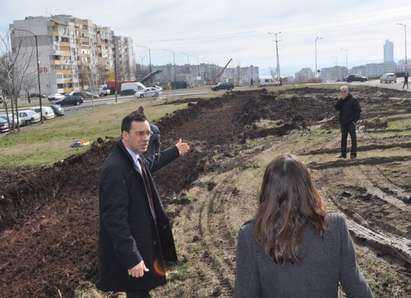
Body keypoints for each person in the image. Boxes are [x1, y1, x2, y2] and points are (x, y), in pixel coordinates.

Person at [234, 154, 373, 298]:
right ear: (307, 188)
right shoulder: (335, 227)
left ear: (267, 192)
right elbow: (357, 288)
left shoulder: (250, 235)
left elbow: (245, 293)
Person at [96, 111, 190, 298]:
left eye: (148, 133)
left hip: (141, 244)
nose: (146, 138)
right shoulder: (115, 169)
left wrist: (175, 151)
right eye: (139, 133)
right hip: (131, 251)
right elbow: (114, 220)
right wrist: (132, 259)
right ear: (125, 135)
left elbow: (150, 164)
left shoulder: (133, 157)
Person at [335, 85, 361, 159]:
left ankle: (353, 155)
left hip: (351, 122)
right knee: (343, 139)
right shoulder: (341, 100)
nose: (343, 93)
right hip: (343, 122)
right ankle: (343, 155)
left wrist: (354, 121)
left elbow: (358, 111)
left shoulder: (353, 100)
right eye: (342, 92)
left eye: (344, 91)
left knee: (353, 138)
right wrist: (340, 100)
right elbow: (336, 108)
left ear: (348, 91)